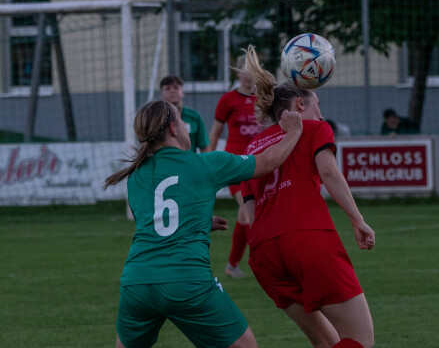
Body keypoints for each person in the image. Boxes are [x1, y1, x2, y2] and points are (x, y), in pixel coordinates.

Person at [103, 99, 303, 348]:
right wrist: (294, 131)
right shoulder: (205, 164)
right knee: (245, 346)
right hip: (185, 280)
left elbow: (155, 223)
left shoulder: (137, 175)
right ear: (174, 129)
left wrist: (198, 220)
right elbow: (269, 161)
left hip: (137, 282)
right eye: (181, 121)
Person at [241, 45, 375, 348]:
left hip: (263, 253)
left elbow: (251, 212)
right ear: (300, 105)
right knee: (360, 340)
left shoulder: (251, 148)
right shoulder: (314, 128)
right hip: (306, 238)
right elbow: (329, 173)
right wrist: (358, 220)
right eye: (318, 104)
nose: (322, 113)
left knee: (326, 341)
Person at [208, 55, 260, 278]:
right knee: (250, 212)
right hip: (234, 165)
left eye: (253, 69)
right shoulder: (228, 100)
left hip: (258, 164)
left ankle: (231, 265)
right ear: (237, 73)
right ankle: (262, 262)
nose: (249, 74)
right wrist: (209, 159)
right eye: (245, 70)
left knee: (243, 215)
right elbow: (216, 131)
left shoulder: (265, 98)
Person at [160, 75, 210, 152]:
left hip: (190, 162)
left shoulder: (194, 116)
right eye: (168, 88)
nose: (172, 91)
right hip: (165, 162)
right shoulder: (156, 117)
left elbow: (204, 146)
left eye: (176, 88)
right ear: (162, 94)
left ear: (183, 92)